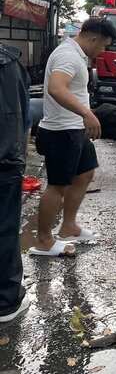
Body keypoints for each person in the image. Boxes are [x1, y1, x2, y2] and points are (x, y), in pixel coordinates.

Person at [29, 18, 116, 257]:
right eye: (103, 46)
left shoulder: (77, 54)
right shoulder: (67, 56)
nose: (102, 51)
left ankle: (68, 226)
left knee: (86, 172)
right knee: (57, 186)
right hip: (61, 131)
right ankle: (44, 240)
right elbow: (57, 88)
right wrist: (86, 113)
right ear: (93, 39)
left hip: (74, 129)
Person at [0, 41, 31, 322]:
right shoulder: (10, 64)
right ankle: (6, 302)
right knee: (5, 230)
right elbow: (25, 115)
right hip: (5, 160)